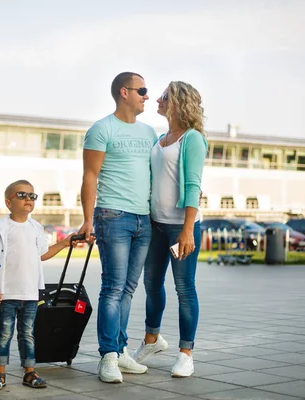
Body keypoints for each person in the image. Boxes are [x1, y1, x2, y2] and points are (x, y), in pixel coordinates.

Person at [78, 72, 159, 383]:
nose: (147, 96)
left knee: (128, 288)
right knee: (113, 288)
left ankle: (121, 350)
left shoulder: (149, 132)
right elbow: (89, 176)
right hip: (113, 216)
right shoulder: (101, 129)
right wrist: (88, 219)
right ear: (124, 92)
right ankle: (108, 357)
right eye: (142, 90)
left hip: (144, 219)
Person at [132, 82, 208, 378]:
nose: (157, 100)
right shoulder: (161, 138)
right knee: (151, 284)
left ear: (177, 102)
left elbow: (193, 186)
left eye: (163, 96)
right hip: (156, 224)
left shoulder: (192, 139)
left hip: (181, 227)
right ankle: (152, 340)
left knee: (184, 288)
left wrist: (188, 229)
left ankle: (186, 353)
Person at [0, 179, 77, 391]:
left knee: (27, 333)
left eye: (32, 196)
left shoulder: (36, 228)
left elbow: (43, 255)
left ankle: (29, 372)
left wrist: (64, 243)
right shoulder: (1, 227)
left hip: (31, 293)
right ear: (8, 202)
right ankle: (0, 374)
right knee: (5, 332)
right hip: (7, 292)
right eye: (22, 195)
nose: (28, 199)